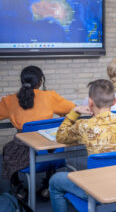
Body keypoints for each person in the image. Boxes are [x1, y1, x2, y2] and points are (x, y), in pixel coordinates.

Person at [49, 79, 116, 212]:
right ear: (114, 101)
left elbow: (60, 136)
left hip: (98, 190)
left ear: (90, 102)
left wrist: (75, 111)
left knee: (55, 181)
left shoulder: (84, 126)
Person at [0, 66, 74, 199]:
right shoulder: (50, 96)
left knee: (7, 149)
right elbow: (72, 109)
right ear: (40, 82)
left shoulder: (10, 100)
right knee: (52, 142)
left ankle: (17, 188)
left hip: (23, 155)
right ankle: (48, 186)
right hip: (50, 153)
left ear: (22, 81)